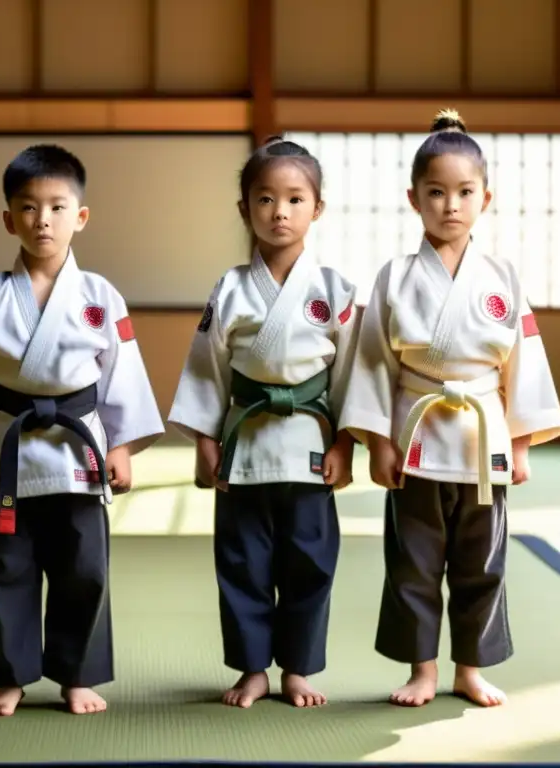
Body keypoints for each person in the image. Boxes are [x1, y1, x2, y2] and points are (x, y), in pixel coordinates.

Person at [342, 109, 560, 708]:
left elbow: (525, 362)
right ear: (413, 198)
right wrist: (378, 442)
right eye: (435, 192)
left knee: (481, 563)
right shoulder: (394, 276)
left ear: (484, 198)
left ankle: (469, 668)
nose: (450, 205)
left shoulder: (503, 277)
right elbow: (370, 364)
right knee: (413, 564)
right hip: (416, 436)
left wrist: (520, 443)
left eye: (464, 192)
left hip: (482, 439)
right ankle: (422, 669)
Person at [0, 144, 164, 717]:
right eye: (29, 208)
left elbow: (121, 376)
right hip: (10, 448)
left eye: (58, 207)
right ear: (9, 218)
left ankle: (77, 675)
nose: (43, 221)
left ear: (80, 216)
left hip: (78, 450)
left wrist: (124, 446)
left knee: (84, 569)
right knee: (6, 568)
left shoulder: (99, 296)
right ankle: (11, 675)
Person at [168, 136, 358, 709]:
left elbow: (352, 375)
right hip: (244, 445)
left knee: (310, 563)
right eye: (266, 199)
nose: (281, 212)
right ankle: (253, 668)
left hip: (310, 441)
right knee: (242, 563)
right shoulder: (228, 288)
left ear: (317, 208)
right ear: (245, 208)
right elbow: (207, 371)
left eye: (296, 199)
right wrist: (205, 442)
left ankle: (297, 669)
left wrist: (346, 443)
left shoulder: (335, 291)